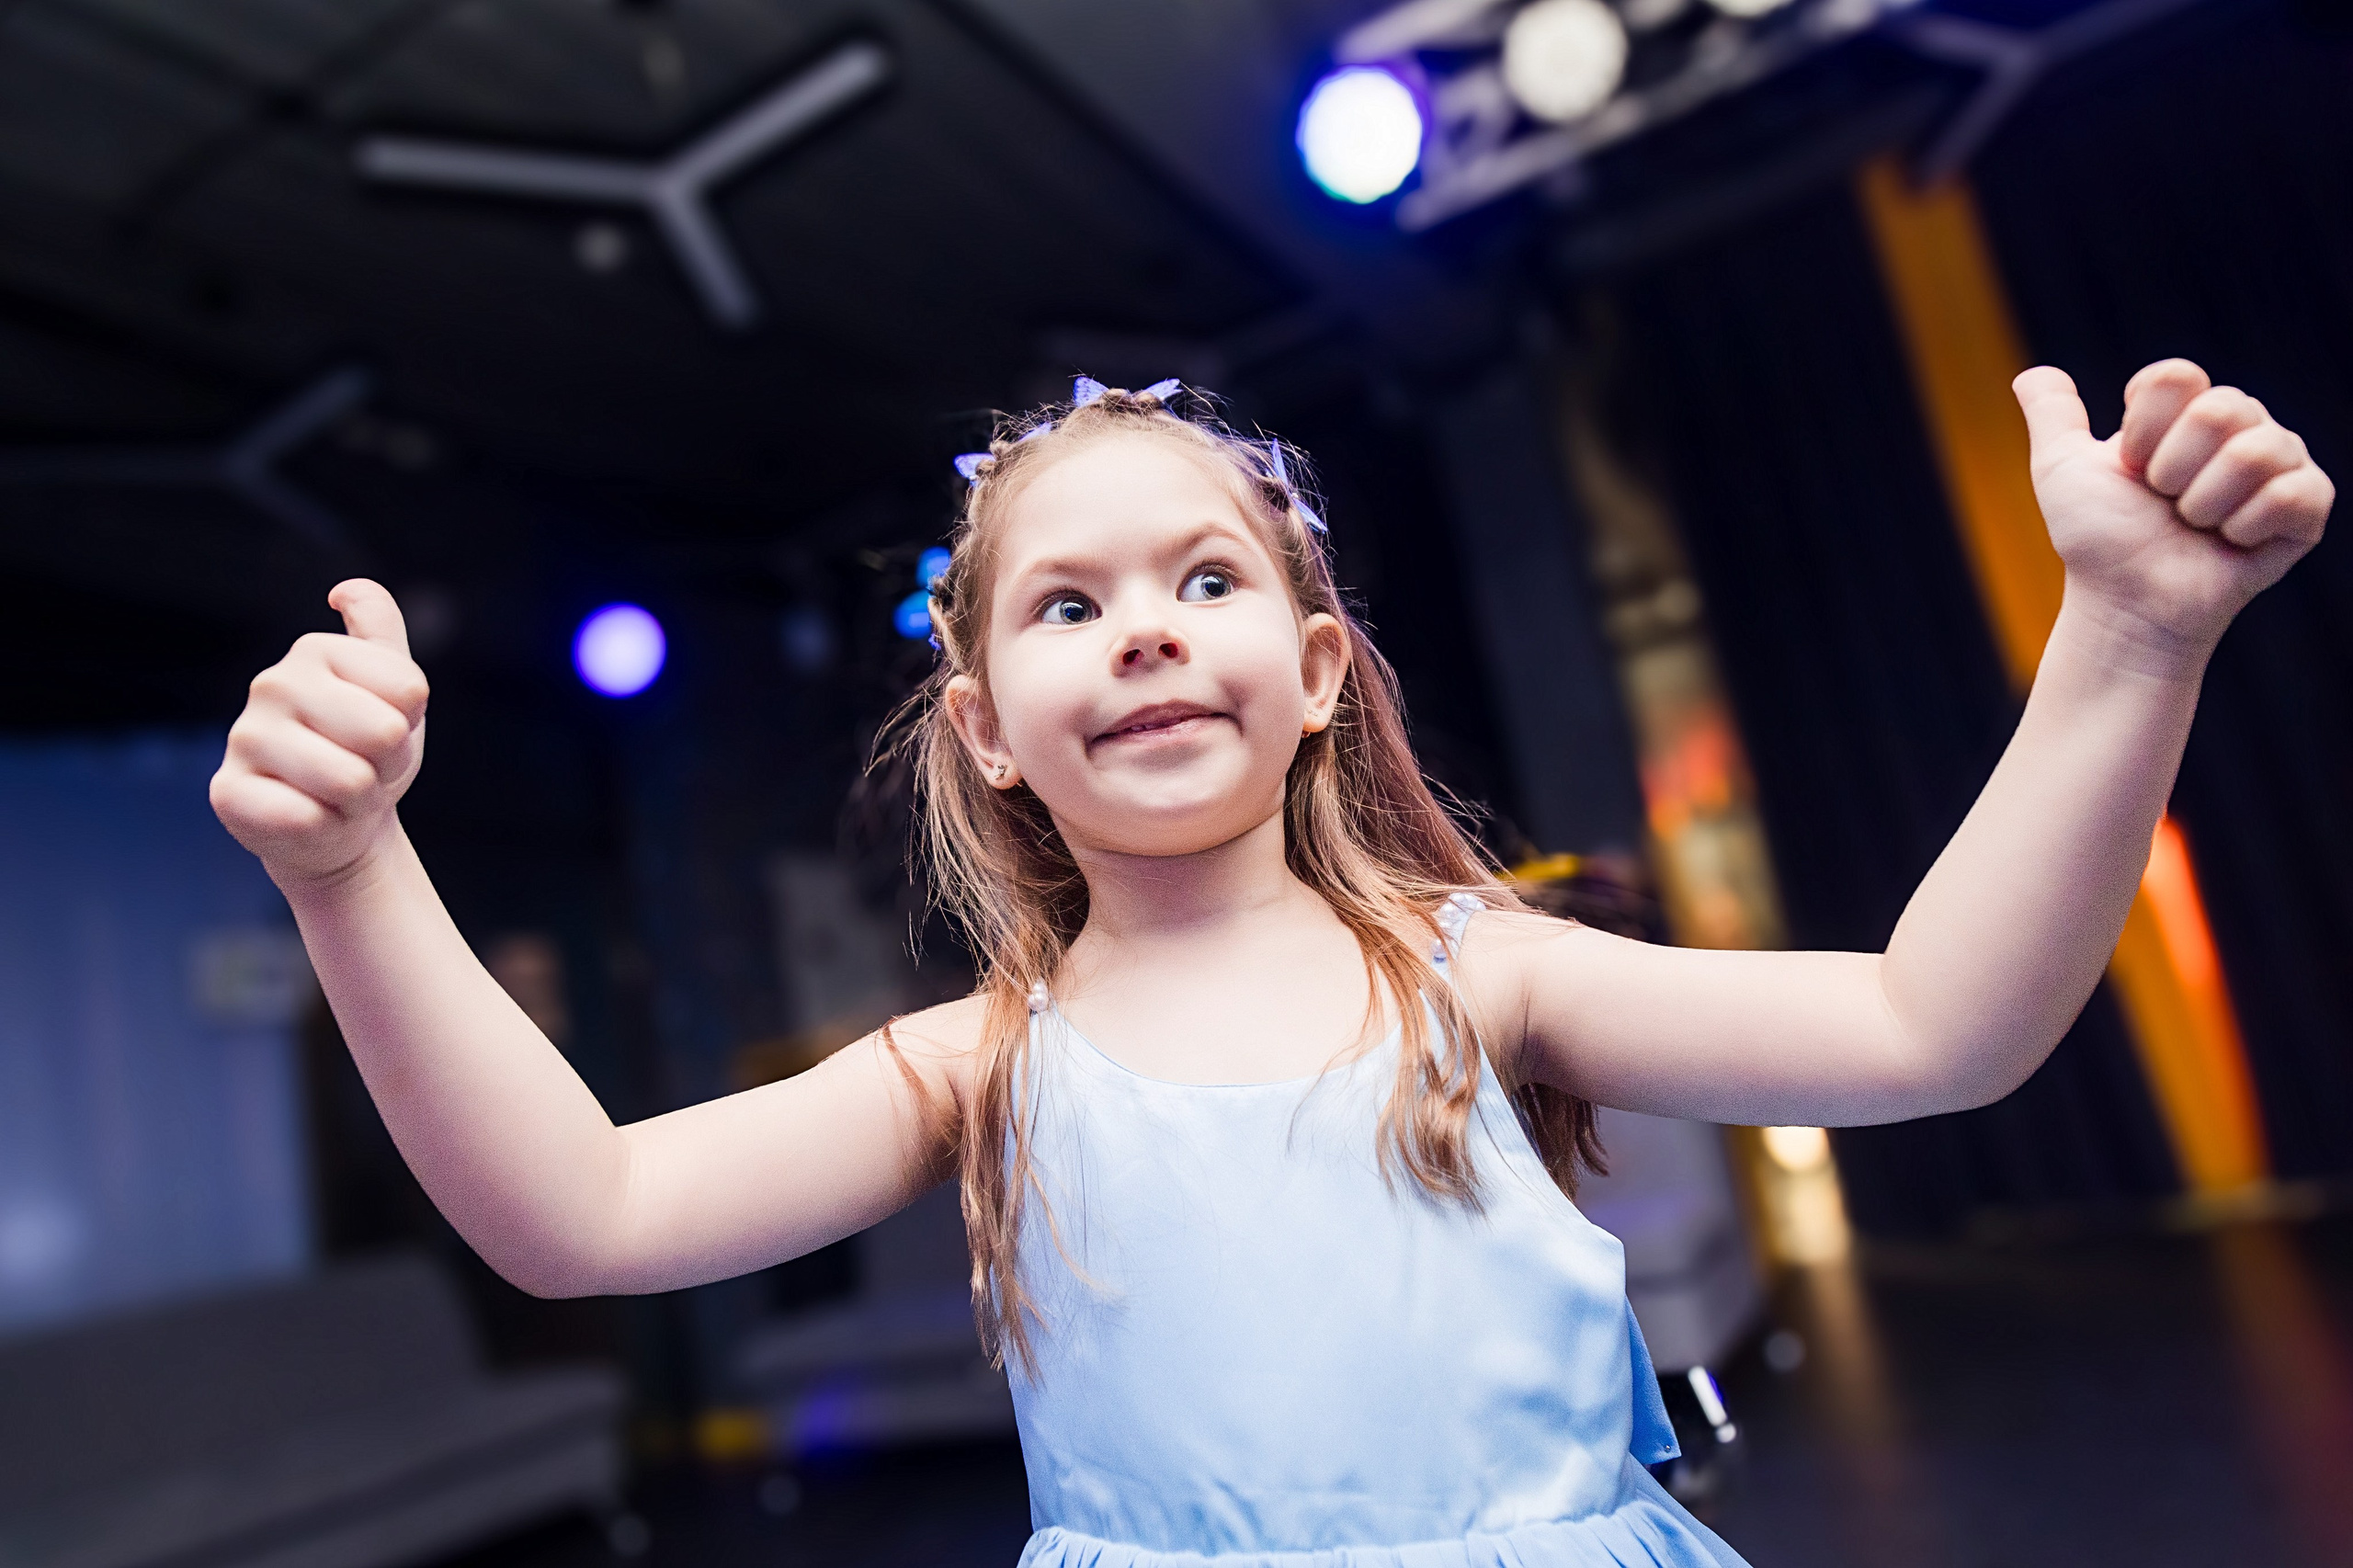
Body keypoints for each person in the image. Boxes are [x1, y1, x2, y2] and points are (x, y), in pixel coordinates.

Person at [211, 364, 2331, 1566]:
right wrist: (352, 873)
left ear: (1313, 672)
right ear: (981, 725)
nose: (1139, 625)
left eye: (1199, 577)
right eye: (1063, 604)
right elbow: (583, 1215)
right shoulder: (980, 1061)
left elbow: (1927, 1024)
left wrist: (2125, 642)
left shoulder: (1475, 973)